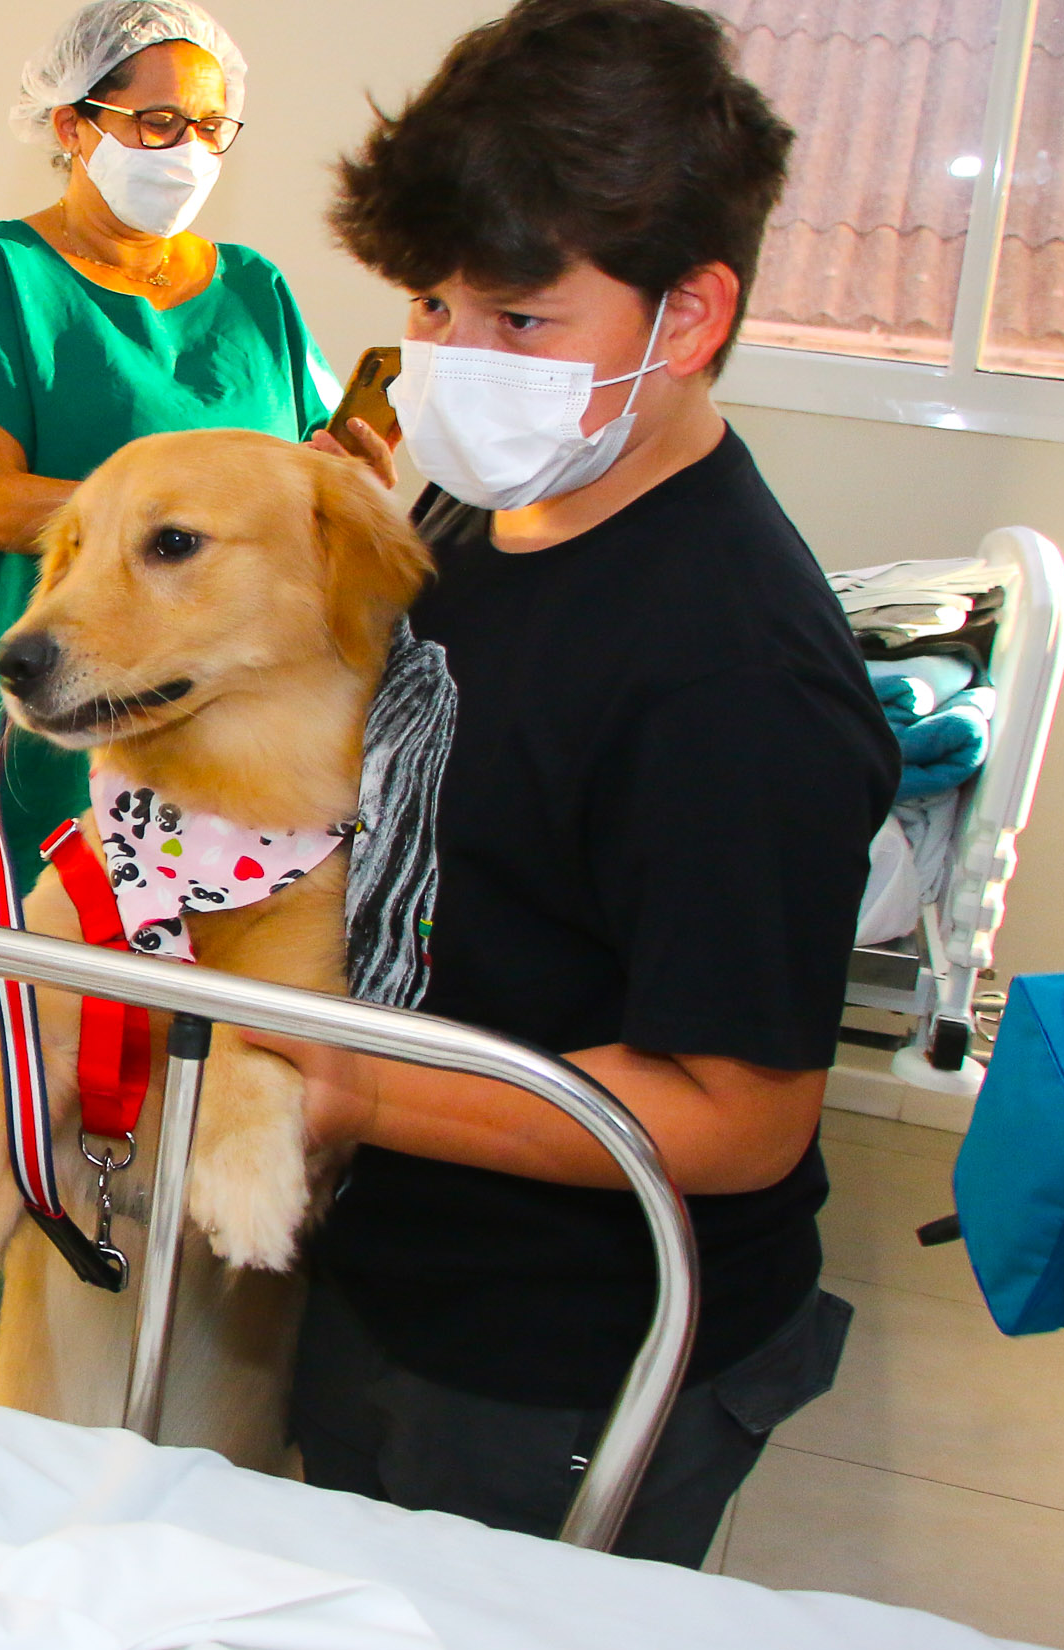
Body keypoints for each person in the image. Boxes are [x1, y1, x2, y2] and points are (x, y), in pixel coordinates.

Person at [248, 0, 900, 1567]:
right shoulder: (499, 501)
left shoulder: (735, 676)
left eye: (525, 322)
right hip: (400, 1261)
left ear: (691, 314)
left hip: (570, 1349)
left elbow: (738, 1117)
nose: (460, 363)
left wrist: (347, 1085)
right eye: (434, 304)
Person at [0, 0, 367, 1392]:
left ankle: (137, 1354)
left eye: (209, 124)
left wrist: (335, 486)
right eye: (152, 120)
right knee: (1, 1029)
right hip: (51, 701)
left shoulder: (256, 290)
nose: (184, 148)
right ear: (70, 123)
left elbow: (302, 479)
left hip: (219, 736)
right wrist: (175, 518)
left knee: (228, 1032)